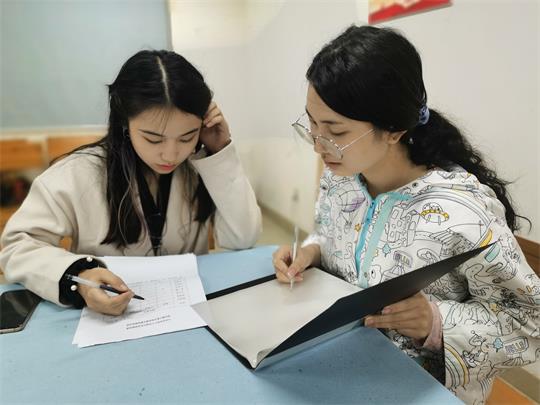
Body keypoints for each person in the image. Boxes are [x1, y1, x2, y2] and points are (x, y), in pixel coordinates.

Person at [272, 25, 539, 404]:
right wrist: (312, 252)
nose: (318, 145)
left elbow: (528, 321)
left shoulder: (462, 212)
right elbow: (338, 236)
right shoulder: (341, 178)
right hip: (336, 369)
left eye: (335, 131)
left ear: (393, 130)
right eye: (312, 124)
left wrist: (435, 321)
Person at [0, 50, 261, 316]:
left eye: (187, 137)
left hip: (188, 313)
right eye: (153, 139)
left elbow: (243, 238)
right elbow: (17, 247)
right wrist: (80, 278)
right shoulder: (78, 173)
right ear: (125, 122)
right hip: (105, 320)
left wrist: (220, 152)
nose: (171, 155)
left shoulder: (202, 165)